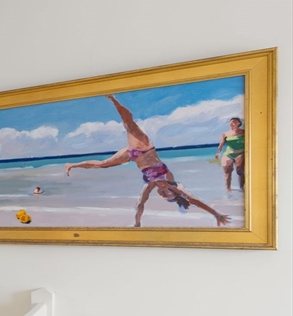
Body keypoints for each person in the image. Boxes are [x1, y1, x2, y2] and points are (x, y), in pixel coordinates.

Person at [65, 95, 230, 227]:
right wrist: (216, 214)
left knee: (103, 164)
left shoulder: (150, 186)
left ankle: (71, 164)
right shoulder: (171, 183)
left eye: (163, 196)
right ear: (174, 192)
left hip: (132, 155)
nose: (163, 193)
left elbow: (140, 204)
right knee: (129, 124)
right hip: (144, 147)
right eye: (168, 194)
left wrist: (137, 224)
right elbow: (193, 199)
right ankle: (113, 98)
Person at [214, 117, 245, 193]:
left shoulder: (244, 132)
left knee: (240, 172)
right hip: (228, 154)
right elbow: (221, 144)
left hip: (240, 153)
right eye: (231, 122)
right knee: (227, 172)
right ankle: (228, 190)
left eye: (235, 122)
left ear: (239, 123)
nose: (233, 123)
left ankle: (242, 188)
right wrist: (218, 153)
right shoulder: (225, 134)